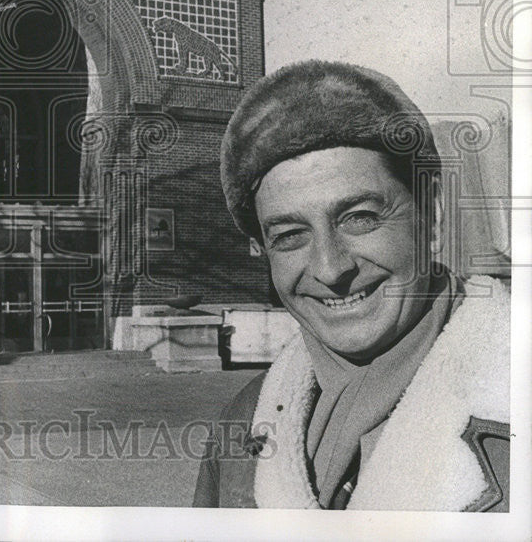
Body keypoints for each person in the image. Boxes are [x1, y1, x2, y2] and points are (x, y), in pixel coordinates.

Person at [193, 60, 509, 511]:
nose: (329, 268)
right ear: (262, 250)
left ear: (433, 216)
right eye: (289, 236)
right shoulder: (244, 423)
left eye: (360, 217)